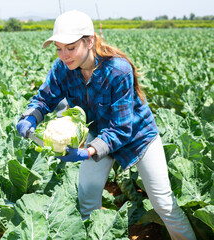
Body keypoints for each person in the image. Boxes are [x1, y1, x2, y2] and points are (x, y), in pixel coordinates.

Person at [16, 10, 196, 240]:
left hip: (138, 137)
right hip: (98, 132)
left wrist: (86, 152)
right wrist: (31, 117)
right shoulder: (62, 69)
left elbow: (121, 128)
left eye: (70, 48)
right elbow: (44, 99)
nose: (64, 55)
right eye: (58, 48)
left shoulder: (118, 70)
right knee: (87, 200)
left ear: (89, 41)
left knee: (163, 204)